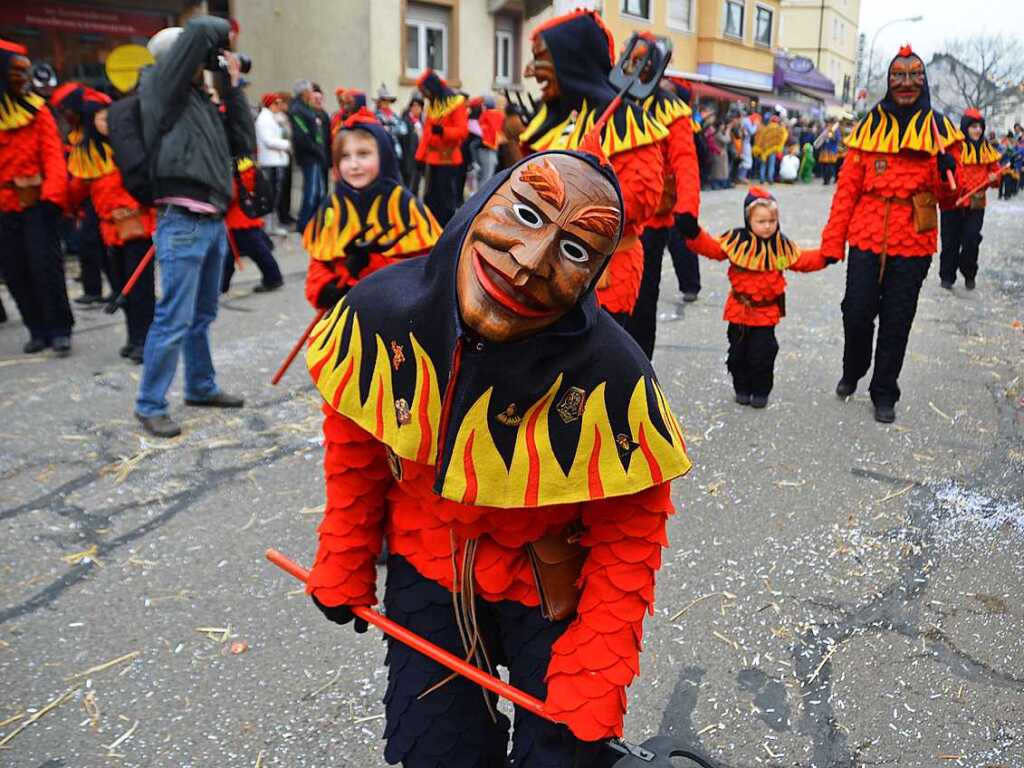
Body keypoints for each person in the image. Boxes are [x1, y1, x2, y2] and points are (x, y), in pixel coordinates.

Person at [303, 148, 691, 767]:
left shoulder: (613, 377)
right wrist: (343, 556)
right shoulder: (379, 313)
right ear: (482, 203)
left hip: (548, 589)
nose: (529, 263)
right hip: (428, 572)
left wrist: (595, 672)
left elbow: (631, 528)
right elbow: (357, 445)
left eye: (573, 251)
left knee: (558, 759)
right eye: (529, 215)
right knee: (435, 749)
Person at [820, 44, 960, 424]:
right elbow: (846, 190)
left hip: (913, 240)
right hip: (866, 235)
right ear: (888, 80)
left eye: (914, 75)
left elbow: (950, 198)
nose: (906, 83)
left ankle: (884, 390)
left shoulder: (941, 131)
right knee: (857, 311)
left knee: (898, 318)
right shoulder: (868, 126)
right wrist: (832, 241)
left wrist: (947, 168)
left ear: (924, 80)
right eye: (898, 76)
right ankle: (854, 368)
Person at [134, 17, 256, 438]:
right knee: (174, 318)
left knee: (201, 315)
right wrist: (224, 38)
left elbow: (243, 143)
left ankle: (200, 386)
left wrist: (233, 85)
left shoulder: (198, 101)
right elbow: (204, 27)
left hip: (211, 221)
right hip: (183, 223)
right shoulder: (159, 88)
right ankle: (150, 404)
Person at [521, 9, 666, 332]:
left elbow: (640, 201)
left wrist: (567, 209)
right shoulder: (554, 121)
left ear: (571, 59)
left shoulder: (625, 120)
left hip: (603, 276)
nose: (529, 70)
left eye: (541, 58)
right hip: (541, 268)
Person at [687, 187, 828, 408]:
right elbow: (713, 248)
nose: (767, 226)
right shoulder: (737, 242)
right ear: (748, 219)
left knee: (763, 354)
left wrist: (826, 256)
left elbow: (802, 261)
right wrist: (693, 232)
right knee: (737, 353)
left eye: (771, 221)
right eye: (761, 221)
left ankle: (761, 390)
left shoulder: (780, 247)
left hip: (766, 313)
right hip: (739, 310)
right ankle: (741, 387)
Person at [54, 84, 155, 363]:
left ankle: (146, 339)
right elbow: (75, 192)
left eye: (109, 116)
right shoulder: (85, 156)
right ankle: (134, 337)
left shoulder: (134, 148)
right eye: (100, 117)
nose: (107, 122)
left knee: (141, 288)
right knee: (122, 287)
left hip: (138, 227)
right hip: (108, 231)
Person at [303, 108, 439, 313]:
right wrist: (328, 289)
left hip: (393, 315)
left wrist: (371, 265)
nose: (354, 164)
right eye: (345, 157)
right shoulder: (332, 205)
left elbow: (425, 269)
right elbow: (318, 264)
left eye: (363, 154)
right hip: (342, 313)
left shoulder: (404, 205)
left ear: (383, 156)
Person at [0, 38, 73, 356]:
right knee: (14, 271)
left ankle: (59, 328)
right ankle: (36, 328)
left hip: (38, 202)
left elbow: (53, 157)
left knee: (45, 267)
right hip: (4, 207)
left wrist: (51, 199)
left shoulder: (38, 110)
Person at [628, 66, 700, 358]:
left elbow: (686, 161)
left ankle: (639, 369)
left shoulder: (673, 112)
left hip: (655, 218)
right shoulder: (616, 101)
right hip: (613, 215)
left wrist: (687, 207)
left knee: (642, 301)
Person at [938, 108, 1001, 291]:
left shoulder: (987, 150)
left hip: (975, 204)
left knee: (971, 240)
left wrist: (993, 178)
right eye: (973, 127)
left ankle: (969, 271)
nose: (977, 131)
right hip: (952, 202)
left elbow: (996, 174)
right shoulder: (953, 147)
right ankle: (947, 276)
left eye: (980, 127)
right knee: (950, 241)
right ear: (965, 127)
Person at [414, 69, 469, 225]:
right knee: (430, 199)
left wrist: (443, 131)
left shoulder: (456, 103)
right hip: (433, 160)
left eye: (425, 91)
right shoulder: (433, 105)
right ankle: (433, 229)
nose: (424, 95)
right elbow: (426, 135)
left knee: (446, 202)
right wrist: (419, 157)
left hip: (449, 160)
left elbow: (462, 132)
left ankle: (447, 231)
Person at [222, 157, 285, 293]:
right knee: (233, 254)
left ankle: (273, 278)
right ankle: (221, 285)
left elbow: (231, 193)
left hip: (238, 218)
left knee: (249, 252)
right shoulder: (245, 162)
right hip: (245, 215)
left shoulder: (233, 165)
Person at [289, 79, 328, 234]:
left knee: (318, 192)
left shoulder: (306, 109)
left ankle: (314, 222)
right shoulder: (297, 110)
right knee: (310, 193)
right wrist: (317, 150)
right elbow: (303, 136)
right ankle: (304, 224)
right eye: (311, 91)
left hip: (316, 156)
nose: (313, 94)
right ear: (304, 93)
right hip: (309, 157)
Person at [255, 92, 291, 236]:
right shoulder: (264, 119)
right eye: (277, 103)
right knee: (270, 195)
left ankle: (271, 225)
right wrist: (287, 144)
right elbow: (268, 141)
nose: (279, 106)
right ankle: (268, 226)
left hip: (275, 161)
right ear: (270, 104)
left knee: (275, 194)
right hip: (269, 162)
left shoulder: (271, 118)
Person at [399, 92, 423, 192]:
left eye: (419, 106)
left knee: (416, 187)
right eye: (414, 106)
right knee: (408, 188)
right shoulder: (405, 121)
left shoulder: (422, 122)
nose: (416, 108)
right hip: (408, 160)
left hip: (419, 160)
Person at [477, 95, 503, 183]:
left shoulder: (485, 115)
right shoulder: (499, 115)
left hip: (485, 147)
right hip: (491, 148)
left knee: (485, 176)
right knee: (487, 176)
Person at [754, 115, 787, 184]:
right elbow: (783, 136)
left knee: (763, 164)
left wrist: (760, 148)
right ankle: (770, 179)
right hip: (773, 149)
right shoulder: (779, 129)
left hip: (765, 150)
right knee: (771, 164)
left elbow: (761, 139)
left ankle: (762, 179)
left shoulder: (766, 128)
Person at [814, 120, 840, 185]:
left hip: (831, 150)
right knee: (823, 165)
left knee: (829, 166)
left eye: (830, 123)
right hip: (824, 150)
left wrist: (832, 136)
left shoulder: (836, 130)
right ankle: (825, 179)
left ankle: (827, 179)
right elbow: (820, 138)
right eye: (828, 123)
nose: (829, 124)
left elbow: (837, 139)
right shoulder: (825, 130)